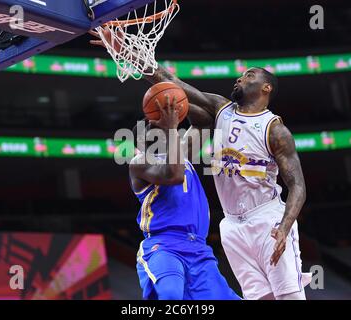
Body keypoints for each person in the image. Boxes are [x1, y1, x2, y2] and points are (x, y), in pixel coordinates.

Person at [90, 30, 309, 300]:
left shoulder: (274, 129)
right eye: (241, 75)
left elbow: (297, 184)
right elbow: (170, 83)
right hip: (228, 227)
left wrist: (285, 227)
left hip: (265, 218)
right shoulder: (217, 111)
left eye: (250, 75)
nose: (241, 78)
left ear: (267, 88)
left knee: (289, 296)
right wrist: (128, 53)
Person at [129, 95, 240, 300]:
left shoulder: (181, 154)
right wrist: (170, 127)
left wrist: (177, 102)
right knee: (170, 294)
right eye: (154, 125)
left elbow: (205, 120)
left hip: (199, 249)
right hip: (164, 245)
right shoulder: (139, 162)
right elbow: (174, 176)